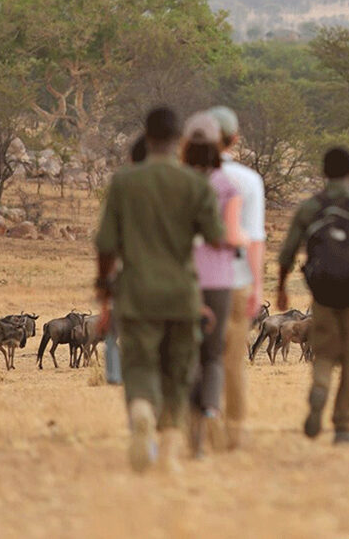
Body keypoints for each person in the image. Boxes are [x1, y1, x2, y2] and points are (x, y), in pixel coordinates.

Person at [94, 107, 224, 473]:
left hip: (136, 294)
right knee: (179, 370)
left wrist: (105, 290)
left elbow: (105, 246)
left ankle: (140, 410)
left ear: (147, 137)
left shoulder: (124, 182)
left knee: (140, 364)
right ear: (178, 140)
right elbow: (215, 239)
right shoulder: (195, 184)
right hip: (182, 295)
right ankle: (168, 449)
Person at [276, 147, 349, 445]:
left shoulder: (311, 207)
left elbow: (287, 253)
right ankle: (343, 427)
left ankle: (320, 388)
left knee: (323, 353)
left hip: (322, 296)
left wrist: (281, 289)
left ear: (323, 173)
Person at [181, 112, 245, 456]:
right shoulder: (228, 185)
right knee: (214, 355)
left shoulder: (177, 182)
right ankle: (210, 409)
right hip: (219, 280)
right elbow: (231, 237)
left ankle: (192, 432)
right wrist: (239, 242)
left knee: (188, 352)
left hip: (183, 279)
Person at [207, 106, 266, 450]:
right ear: (235, 139)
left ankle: (199, 429)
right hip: (237, 280)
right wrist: (257, 287)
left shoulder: (187, 176)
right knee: (232, 362)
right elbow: (255, 239)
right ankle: (234, 432)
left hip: (195, 282)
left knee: (199, 358)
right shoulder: (248, 180)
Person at [103, 134, 150, 387]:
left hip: (131, 281)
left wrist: (104, 295)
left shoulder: (122, 188)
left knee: (115, 338)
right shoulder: (186, 184)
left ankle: (119, 378)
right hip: (174, 284)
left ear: (131, 159)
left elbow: (107, 246)